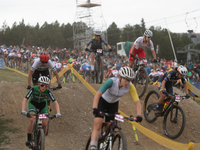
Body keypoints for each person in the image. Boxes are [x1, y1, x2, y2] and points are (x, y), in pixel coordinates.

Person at [90, 67, 142, 150]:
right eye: (126, 80)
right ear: (120, 77)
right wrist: (95, 108)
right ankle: (92, 147)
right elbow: (97, 94)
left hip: (113, 104)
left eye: (130, 80)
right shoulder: (111, 82)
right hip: (102, 102)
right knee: (98, 124)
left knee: (109, 126)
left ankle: (104, 143)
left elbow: (137, 102)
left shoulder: (130, 86)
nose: (128, 82)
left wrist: (139, 115)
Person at [21, 76, 61, 148]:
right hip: (33, 104)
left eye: (46, 85)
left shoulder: (47, 91)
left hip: (43, 106)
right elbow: (25, 99)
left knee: (45, 121)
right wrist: (23, 110)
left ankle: (41, 138)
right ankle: (29, 139)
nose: (44, 87)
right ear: (39, 84)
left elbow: (55, 102)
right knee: (32, 118)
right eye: (42, 85)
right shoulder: (33, 89)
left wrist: (58, 112)